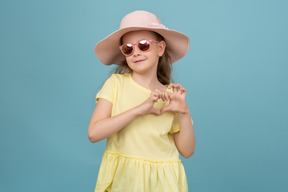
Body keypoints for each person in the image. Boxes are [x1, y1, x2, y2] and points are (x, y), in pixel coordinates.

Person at [88, 10, 195, 192]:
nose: (136, 52)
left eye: (143, 45)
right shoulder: (116, 84)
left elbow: (187, 151)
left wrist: (184, 113)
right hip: (126, 180)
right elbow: (94, 133)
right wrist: (141, 109)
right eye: (128, 48)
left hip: (163, 181)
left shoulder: (170, 96)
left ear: (160, 48)